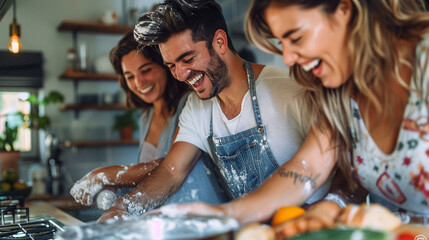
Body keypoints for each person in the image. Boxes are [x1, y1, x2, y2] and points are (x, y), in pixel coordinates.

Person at [172, 0, 429, 234]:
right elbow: (307, 168)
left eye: (296, 37)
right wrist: (226, 214)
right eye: (283, 43)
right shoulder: (338, 92)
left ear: (344, 9)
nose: (288, 57)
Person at [99, 0, 335, 221]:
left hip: (309, 228)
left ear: (220, 42)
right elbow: (171, 173)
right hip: (246, 228)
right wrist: (123, 207)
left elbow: (339, 167)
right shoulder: (196, 108)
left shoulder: (292, 89)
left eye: (188, 58)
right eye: (172, 66)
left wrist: (330, 208)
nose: (180, 75)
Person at [69, 31, 227, 217]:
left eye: (146, 70)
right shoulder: (146, 116)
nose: (139, 82)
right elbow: (150, 178)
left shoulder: (191, 104)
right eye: (130, 76)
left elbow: (169, 167)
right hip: (165, 222)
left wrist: (104, 174)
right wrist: (116, 188)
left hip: (202, 218)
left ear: (165, 66)